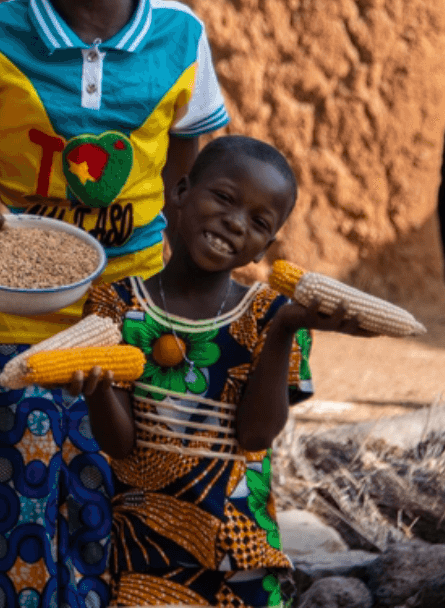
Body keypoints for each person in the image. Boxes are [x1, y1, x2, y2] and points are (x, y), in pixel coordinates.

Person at [0, 0, 230, 608]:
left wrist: (184, 277)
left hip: (134, 312)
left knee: (127, 500)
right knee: (15, 500)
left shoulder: (179, 36)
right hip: (17, 310)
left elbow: (197, 172)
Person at [76, 136, 367, 606]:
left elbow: (256, 434)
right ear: (181, 192)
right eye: (224, 198)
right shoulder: (119, 305)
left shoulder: (272, 316)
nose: (234, 222)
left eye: (258, 222)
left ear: (263, 248)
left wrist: (283, 331)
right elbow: (120, 444)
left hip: (242, 547)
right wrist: (94, 387)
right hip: (146, 547)